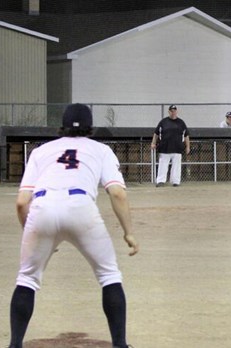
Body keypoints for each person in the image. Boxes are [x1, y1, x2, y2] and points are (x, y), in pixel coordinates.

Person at [9, 103, 139, 348]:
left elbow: (21, 202)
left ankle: (14, 344)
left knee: (27, 279)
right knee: (109, 275)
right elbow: (117, 194)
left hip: (43, 207)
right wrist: (129, 232)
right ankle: (120, 345)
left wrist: (32, 231)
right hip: (81, 207)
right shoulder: (101, 150)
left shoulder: (41, 151)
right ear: (91, 128)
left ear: (62, 126)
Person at [150, 105, 190, 187]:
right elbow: (156, 133)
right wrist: (153, 143)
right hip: (164, 149)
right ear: (168, 112)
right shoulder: (163, 122)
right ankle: (160, 181)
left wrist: (188, 146)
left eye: (174, 110)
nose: (173, 112)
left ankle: (175, 181)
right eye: (171, 111)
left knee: (176, 166)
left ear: (177, 111)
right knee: (163, 166)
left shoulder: (181, 123)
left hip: (177, 149)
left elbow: (186, 135)